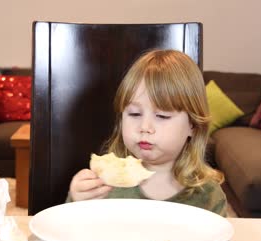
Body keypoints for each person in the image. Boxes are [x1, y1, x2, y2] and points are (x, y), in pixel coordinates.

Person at [67, 49, 227, 216]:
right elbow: (69, 231)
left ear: (193, 125)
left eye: (162, 116)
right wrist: (76, 202)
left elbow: (218, 238)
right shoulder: (103, 183)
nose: (145, 127)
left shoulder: (208, 196)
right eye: (134, 114)